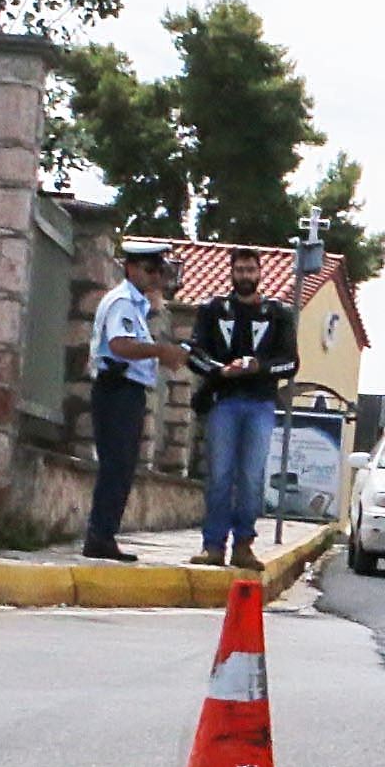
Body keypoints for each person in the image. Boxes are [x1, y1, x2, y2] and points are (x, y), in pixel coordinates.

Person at [188, 247, 301, 569]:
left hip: (260, 405)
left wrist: (257, 367)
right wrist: (219, 370)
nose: (245, 276)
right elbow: (194, 353)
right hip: (223, 403)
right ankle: (213, 546)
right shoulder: (213, 310)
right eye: (240, 270)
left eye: (251, 270)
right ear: (231, 272)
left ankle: (244, 545)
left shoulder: (278, 314)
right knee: (220, 475)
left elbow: (291, 363)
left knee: (251, 477)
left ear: (260, 272)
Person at [81, 244, 186, 561]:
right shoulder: (123, 302)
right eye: (150, 269)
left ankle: (104, 534)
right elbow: (120, 344)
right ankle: (99, 535)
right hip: (117, 389)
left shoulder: (135, 305)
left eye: (159, 270)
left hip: (127, 390)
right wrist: (159, 352)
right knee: (116, 465)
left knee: (122, 465)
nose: (156, 277)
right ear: (131, 268)